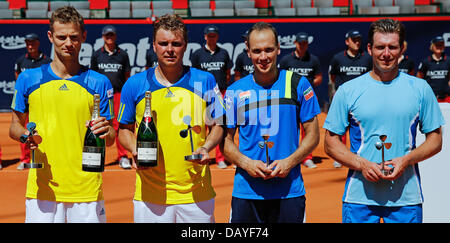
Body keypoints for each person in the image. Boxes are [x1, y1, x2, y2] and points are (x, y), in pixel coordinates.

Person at [323, 18, 444, 223]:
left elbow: (436, 140)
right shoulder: (348, 91)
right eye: (380, 47)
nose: (386, 54)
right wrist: (362, 164)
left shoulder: (421, 89)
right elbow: (330, 142)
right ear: (369, 49)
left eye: (392, 47)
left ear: (401, 49)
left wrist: (405, 161)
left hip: (406, 198)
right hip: (359, 198)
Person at [9, 6, 115, 223]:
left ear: (84, 36)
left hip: (86, 189)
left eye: (74, 37)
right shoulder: (28, 78)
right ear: (50, 36)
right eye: (62, 37)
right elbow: (14, 126)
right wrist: (25, 137)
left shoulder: (99, 82)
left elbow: (111, 138)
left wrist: (106, 131)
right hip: (42, 189)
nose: (68, 43)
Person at [117, 14, 224, 223]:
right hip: (150, 195)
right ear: (154, 46)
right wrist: (134, 149)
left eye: (176, 43)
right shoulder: (135, 84)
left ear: (185, 46)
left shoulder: (205, 80)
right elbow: (124, 129)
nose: (170, 49)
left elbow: (219, 124)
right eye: (163, 43)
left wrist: (207, 147)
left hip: (196, 194)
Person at [223, 22, 321, 223]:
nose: (263, 57)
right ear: (248, 52)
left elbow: (313, 134)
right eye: (257, 51)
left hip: (289, 192)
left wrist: (290, 162)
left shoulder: (298, 84)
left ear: (278, 49)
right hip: (246, 192)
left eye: (269, 49)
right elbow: (225, 141)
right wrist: (246, 163)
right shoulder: (234, 91)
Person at [190, 24, 233, 169]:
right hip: (202, 95)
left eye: (214, 35)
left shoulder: (224, 53)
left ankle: (220, 158)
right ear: (205, 36)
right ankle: (201, 153)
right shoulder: (197, 54)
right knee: (202, 125)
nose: (212, 38)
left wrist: (221, 89)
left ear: (217, 37)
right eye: (209, 35)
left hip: (220, 93)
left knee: (219, 124)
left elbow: (228, 73)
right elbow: (194, 74)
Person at [328, 29, 372, 168]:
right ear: (347, 42)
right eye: (354, 40)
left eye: (359, 39)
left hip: (362, 98)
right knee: (340, 127)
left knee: (360, 127)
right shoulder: (338, 58)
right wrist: (336, 91)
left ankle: (359, 154)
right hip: (344, 98)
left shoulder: (367, 58)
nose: (357, 42)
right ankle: (341, 157)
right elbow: (332, 76)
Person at [90, 25, 132, 169]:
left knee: (119, 125)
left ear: (115, 36)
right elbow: (93, 77)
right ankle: (97, 155)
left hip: (118, 94)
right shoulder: (97, 55)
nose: (109, 38)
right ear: (103, 37)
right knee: (100, 125)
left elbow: (127, 76)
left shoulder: (122, 55)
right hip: (101, 97)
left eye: (111, 35)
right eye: (106, 35)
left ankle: (122, 156)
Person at [279, 32, 322, 169]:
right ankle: (287, 155)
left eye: (305, 43)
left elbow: (319, 77)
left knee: (308, 127)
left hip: (306, 99)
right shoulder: (286, 60)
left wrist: (306, 85)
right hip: (289, 98)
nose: (302, 45)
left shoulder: (313, 60)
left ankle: (307, 157)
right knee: (288, 127)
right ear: (295, 43)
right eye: (300, 43)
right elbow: (280, 78)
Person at [14, 33, 52, 170]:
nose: (30, 46)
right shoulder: (20, 61)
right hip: (25, 103)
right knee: (24, 130)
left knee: (41, 131)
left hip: (42, 103)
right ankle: (25, 159)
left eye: (32, 43)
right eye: (27, 43)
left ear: (38, 43)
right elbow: (18, 80)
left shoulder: (47, 61)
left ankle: (43, 157)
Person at [416, 35, 450, 103]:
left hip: (446, 98)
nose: (439, 47)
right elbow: (419, 78)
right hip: (430, 98)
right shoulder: (426, 61)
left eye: (441, 45)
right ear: (432, 46)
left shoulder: (448, 60)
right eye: (437, 45)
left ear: (443, 46)